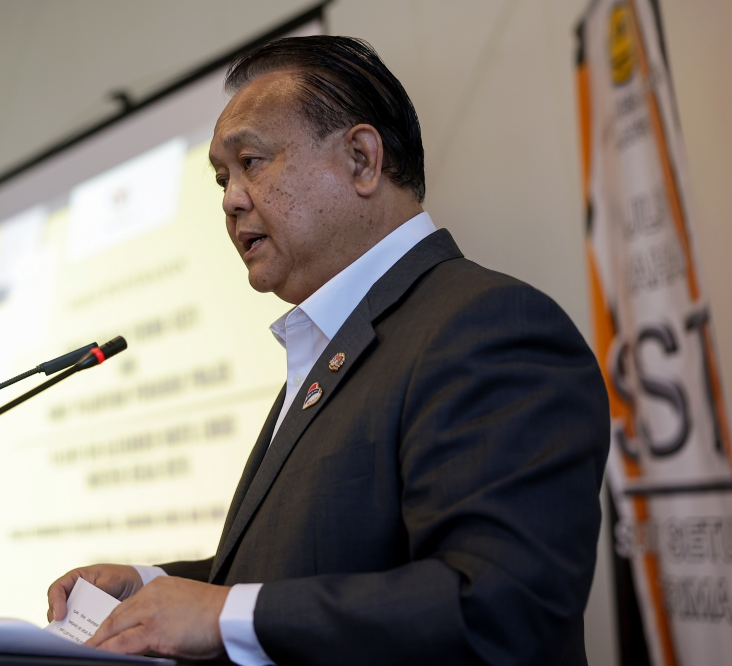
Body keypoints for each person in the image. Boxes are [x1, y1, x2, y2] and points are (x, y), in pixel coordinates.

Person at [47, 36, 609, 665]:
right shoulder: (332, 344)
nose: (230, 199)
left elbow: (501, 607)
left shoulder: (488, 327)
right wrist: (153, 589)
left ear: (362, 160)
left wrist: (223, 615)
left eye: (251, 162)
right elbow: (313, 565)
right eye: (222, 178)